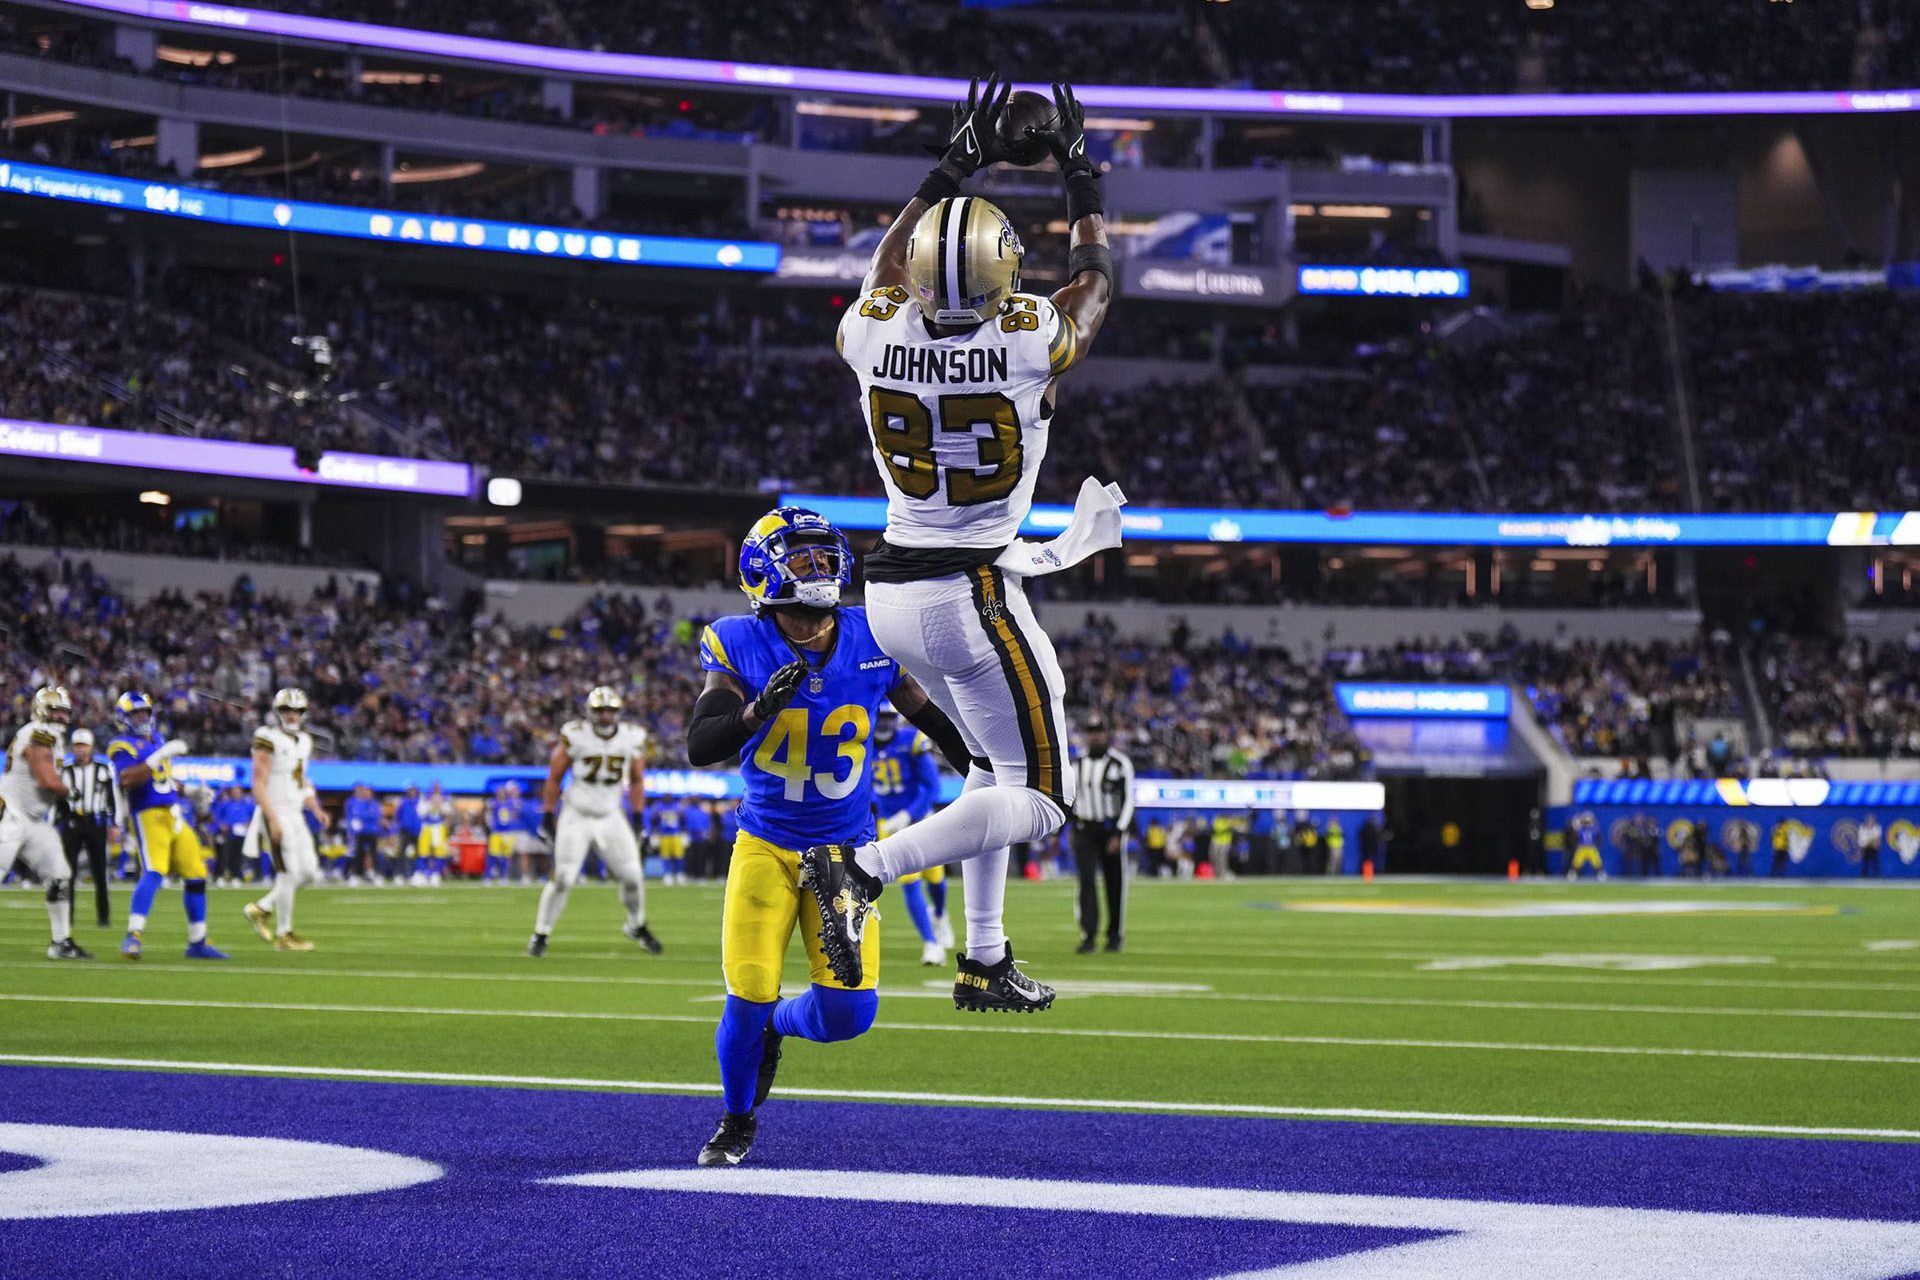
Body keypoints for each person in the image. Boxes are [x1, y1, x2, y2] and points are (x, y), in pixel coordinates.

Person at [819, 77, 1117, 1013]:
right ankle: (863, 870)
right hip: (971, 595)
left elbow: (881, 269)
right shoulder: (1028, 341)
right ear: (1003, 276)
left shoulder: (872, 334)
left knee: (991, 772)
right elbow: (1096, 282)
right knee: (1042, 797)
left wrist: (950, 168)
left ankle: (983, 960)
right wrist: (1082, 180)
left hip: (893, 588)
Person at [685, 506, 974, 1166]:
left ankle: (780, 1026)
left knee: (849, 1017)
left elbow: (930, 717)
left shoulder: (872, 636)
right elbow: (702, 745)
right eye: (801, 558)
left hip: (847, 854)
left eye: (823, 557)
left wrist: (987, 770)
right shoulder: (736, 641)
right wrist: (758, 709)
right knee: (748, 989)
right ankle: (736, 1120)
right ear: (763, 570)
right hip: (766, 843)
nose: (818, 569)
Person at [528, 687, 659, 957]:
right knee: (563, 877)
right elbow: (553, 778)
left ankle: (636, 925)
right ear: (590, 712)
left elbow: (636, 780)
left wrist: (637, 818)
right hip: (576, 813)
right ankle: (541, 933)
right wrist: (547, 814)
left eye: (609, 711)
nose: (604, 717)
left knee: (633, 876)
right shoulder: (575, 735)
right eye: (600, 711)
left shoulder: (632, 737)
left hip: (611, 815)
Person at [108, 691, 225, 960]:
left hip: (174, 814)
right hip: (148, 815)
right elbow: (128, 779)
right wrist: (159, 755)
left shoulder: (156, 740)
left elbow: (164, 781)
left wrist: (191, 791)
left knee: (196, 872)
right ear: (123, 718)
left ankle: (197, 941)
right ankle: (133, 936)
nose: (142, 717)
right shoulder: (121, 745)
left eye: (144, 712)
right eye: (136, 713)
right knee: (154, 871)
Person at [1, 686, 89, 959]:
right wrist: (70, 793)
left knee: (60, 874)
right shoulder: (40, 732)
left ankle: (61, 942)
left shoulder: (53, 736)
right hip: (11, 814)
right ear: (42, 710)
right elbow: (46, 779)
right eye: (57, 711)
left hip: (33, 819)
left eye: (65, 712)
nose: (62, 717)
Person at [242, 688, 328, 951]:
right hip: (275, 810)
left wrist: (315, 807)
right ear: (278, 712)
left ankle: (262, 907)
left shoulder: (304, 740)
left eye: (297, 711)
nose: (292, 715)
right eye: (287, 710)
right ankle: (284, 933)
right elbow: (258, 784)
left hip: (295, 811)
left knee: (310, 873)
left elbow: (301, 778)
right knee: (287, 872)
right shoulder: (266, 737)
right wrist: (272, 819)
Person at [870, 706, 949, 966]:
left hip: (921, 818)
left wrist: (909, 813)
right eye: (880, 717)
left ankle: (939, 915)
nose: (884, 723)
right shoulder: (862, 742)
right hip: (888, 823)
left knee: (936, 879)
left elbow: (933, 787)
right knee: (909, 882)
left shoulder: (911, 741)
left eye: (889, 717)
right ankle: (931, 943)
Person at [1069, 715, 1134, 954]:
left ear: (1106, 733)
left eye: (1099, 730)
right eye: (1091, 730)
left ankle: (1114, 935)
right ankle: (1088, 936)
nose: (1095, 735)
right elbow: (1070, 799)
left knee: (1114, 883)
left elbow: (1128, 801)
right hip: (1085, 829)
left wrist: (1118, 833)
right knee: (1086, 882)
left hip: (1109, 830)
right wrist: (1072, 827)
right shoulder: (1076, 764)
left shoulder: (1120, 763)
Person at [59, 726, 120, 927]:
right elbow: (58, 800)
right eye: (77, 746)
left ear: (91, 747)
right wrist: (57, 822)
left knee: (100, 871)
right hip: (73, 822)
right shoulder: (65, 771)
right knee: (69, 872)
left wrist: (116, 823)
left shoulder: (103, 770)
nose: (80, 750)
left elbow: (113, 797)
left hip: (96, 822)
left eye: (83, 746)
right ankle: (67, 918)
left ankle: (104, 917)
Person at [210, 784, 255, 887]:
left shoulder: (246, 804)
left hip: (241, 832)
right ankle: (220, 876)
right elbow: (216, 814)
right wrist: (220, 825)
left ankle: (235, 876)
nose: (236, 793)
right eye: (234, 791)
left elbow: (254, 814)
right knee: (224, 855)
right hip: (227, 832)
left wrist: (249, 823)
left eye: (238, 791)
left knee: (238, 855)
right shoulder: (225, 803)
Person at [344, 782, 385, 883]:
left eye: (368, 792)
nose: (366, 794)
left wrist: (367, 816)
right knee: (359, 854)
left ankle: (375, 874)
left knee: (373, 854)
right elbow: (357, 815)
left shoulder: (376, 804)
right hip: (361, 832)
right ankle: (357, 875)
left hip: (372, 832)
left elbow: (376, 816)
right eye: (365, 792)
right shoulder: (358, 803)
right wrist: (368, 816)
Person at [485, 781, 523, 884]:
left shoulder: (511, 803)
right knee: (493, 855)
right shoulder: (493, 803)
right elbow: (488, 815)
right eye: (499, 791)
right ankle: (488, 876)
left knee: (506, 856)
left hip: (508, 832)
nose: (501, 793)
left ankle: (503, 877)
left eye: (503, 791)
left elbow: (516, 814)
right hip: (497, 832)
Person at [416, 782, 450, 884]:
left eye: (437, 787)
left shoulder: (445, 798)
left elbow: (448, 812)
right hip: (427, 826)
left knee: (440, 852)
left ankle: (435, 874)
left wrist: (441, 806)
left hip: (439, 827)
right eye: (434, 787)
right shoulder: (425, 798)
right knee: (423, 851)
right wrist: (431, 804)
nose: (436, 789)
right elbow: (420, 812)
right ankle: (420, 874)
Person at [395, 784, 423, 883]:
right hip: (405, 831)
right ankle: (399, 874)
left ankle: (416, 874)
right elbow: (397, 815)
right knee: (402, 853)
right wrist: (403, 825)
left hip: (417, 831)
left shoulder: (420, 802)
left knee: (418, 853)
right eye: (410, 790)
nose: (412, 792)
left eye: (413, 790)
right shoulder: (403, 802)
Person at [1860, 812, 1883, 878]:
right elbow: (1862, 840)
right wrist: (1871, 840)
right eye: (1869, 820)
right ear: (1866, 821)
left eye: (1872, 820)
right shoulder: (1862, 828)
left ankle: (1876, 877)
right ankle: (1864, 877)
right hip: (1865, 848)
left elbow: (1877, 839)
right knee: (1865, 863)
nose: (1870, 821)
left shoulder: (1877, 827)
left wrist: (1869, 841)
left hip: (1874, 848)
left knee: (1875, 863)